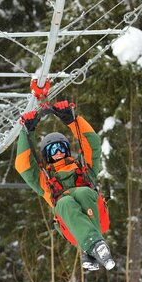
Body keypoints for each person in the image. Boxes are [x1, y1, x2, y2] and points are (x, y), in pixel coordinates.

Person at [15, 100, 115, 271]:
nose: (58, 152)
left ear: (67, 150)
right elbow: (23, 166)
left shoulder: (84, 169)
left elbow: (92, 144)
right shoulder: (44, 180)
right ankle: (93, 248)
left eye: (61, 147)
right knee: (64, 202)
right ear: (47, 156)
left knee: (83, 193)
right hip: (70, 227)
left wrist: (72, 120)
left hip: (98, 217)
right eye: (52, 150)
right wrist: (27, 133)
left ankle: (92, 247)